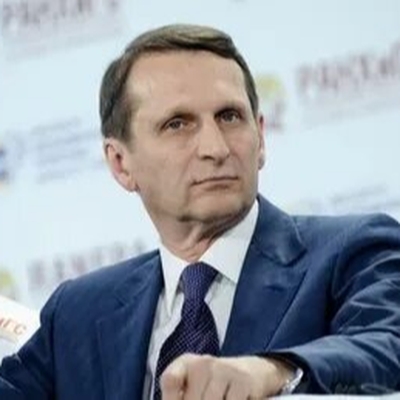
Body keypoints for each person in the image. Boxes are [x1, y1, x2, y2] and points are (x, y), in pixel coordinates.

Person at [1, 23, 400, 400]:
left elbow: (388, 343)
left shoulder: (353, 251)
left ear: (260, 138)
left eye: (230, 117)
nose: (216, 148)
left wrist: (271, 374)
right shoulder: (78, 313)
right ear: (121, 163)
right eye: (177, 124)